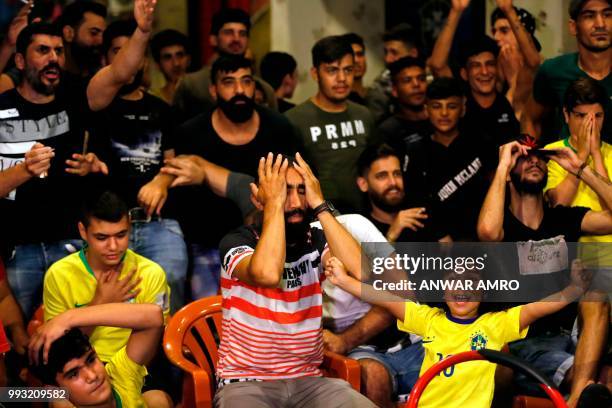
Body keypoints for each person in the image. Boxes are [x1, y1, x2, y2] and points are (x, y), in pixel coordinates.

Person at [0, 0, 154, 319]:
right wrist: (24, 170)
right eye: (42, 50)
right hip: (18, 248)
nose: (53, 58)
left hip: (70, 245)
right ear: (19, 59)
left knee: (77, 335)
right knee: (25, 346)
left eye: (58, 51)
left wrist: (141, 30)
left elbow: (120, 72)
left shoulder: (77, 98)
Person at [324, 253, 591, 408]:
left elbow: (536, 308)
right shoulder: (428, 319)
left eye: (470, 281)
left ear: (484, 292)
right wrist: (344, 280)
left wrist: (573, 291)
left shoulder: (496, 324)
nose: (461, 289)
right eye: (454, 280)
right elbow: (384, 298)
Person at [215, 152, 375, 408]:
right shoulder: (237, 241)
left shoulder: (315, 238)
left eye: (302, 191)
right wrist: (274, 205)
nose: (296, 202)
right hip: (246, 382)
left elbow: (363, 270)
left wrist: (319, 203)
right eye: (284, 191)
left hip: (309, 381)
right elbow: (267, 274)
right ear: (258, 198)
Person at [477, 139, 612, 405]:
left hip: (574, 333)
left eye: (539, 156)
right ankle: (579, 397)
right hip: (526, 342)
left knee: (596, 295)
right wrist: (504, 162)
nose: (533, 160)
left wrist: (580, 168)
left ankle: (575, 400)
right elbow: (488, 233)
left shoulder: (563, 218)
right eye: (523, 157)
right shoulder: (502, 224)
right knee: (602, 384)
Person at [170, 55, 299, 299]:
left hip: (267, 239)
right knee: (211, 323)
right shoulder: (191, 133)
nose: (240, 90)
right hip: (208, 244)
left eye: (247, 81)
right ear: (213, 90)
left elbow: (289, 185)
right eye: (229, 82)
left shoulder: (279, 127)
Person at [90, 20, 188, 313]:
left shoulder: (162, 110)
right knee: (117, 305)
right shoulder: (95, 107)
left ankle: (173, 359)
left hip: (159, 222)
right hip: (110, 228)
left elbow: (174, 162)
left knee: (172, 291)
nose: (127, 60)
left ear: (143, 59)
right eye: (118, 52)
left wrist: (162, 179)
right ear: (106, 59)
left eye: (132, 52)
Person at [43, 190, 170, 363]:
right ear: (83, 231)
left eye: (121, 235)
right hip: (81, 369)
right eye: (101, 237)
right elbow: (59, 350)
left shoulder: (151, 272)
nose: (113, 246)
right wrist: (100, 302)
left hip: (137, 367)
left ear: (130, 227)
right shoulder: (58, 274)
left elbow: (154, 341)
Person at [286, 35, 377, 213]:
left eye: (348, 70)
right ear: (315, 73)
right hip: (317, 219)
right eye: (332, 70)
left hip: (365, 216)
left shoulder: (364, 115)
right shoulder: (294, 120)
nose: (342, 78)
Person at [403, 77, 495, 241]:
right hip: (436, 243)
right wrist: (439, 234)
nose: (444, 113)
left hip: (482, 236)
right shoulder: (416, 151)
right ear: (426, 110)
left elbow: (495, 189)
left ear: (462, 109)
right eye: (437, 107)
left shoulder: (481, 143)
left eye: (451, 106)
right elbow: (415, 202)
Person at [29, 303, 170, 407]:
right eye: (73, 374)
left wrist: (68, 318)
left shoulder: (120, 377)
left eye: (91, 360)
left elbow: (154, 316)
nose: (92, 376)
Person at [430, 4, 521, 148]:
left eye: (490, 64)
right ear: (464, 74)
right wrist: (456, 11)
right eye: (476, 66)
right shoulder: (461, 103)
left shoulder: (509, 97)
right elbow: (437, 65)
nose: (484, 72)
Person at [522, 0, 612, 142]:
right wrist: (533, 159)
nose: (600, 24)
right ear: (573, 26)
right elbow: (530, 119)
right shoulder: (553, 71)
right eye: (589, 16)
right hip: (569, 163)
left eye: (607, 15)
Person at [172, 8, 277, 121]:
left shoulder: (265, 89)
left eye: (242, 34)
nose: (236, 39)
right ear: (213, 39)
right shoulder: (192, 85)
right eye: (228, 33)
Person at [544, 78, 612, 246]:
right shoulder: (553, 152)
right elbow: (557, 206)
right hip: (572, 258)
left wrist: (596, 154)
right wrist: (582, 155)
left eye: (597, 116)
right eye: (581, 116)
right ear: (566, 115)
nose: (590, 124)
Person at [357, 143, 450, 243]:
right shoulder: (360, 229)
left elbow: (452, 253)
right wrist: (391, 235)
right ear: (363, 184)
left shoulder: (421, 212)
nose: (393, 182)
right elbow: (370, 259)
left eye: (397, 174)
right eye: (382, 176)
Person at [490, 0, 543, 119]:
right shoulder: (491, 66)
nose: (496, 37)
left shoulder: (541, 69)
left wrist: (514, 80)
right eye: (494, 31)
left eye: (504, 31)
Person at [377, 57, 432, 164]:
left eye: (421, 78)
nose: (416, 84)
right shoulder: (387, 131)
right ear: (394, 90)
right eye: (407, 80)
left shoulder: (440, 119)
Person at [366, 23, 420, 123]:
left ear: (413, 54)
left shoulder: (429, 80)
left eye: (394, 53)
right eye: (386, 52)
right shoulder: (379, 90)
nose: (388, 59)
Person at [56, 1, 107, 78]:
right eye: (94, 33)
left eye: (104, 35)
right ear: (68, 33)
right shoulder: (51, 79)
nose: (101, 41)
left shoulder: (99, 78)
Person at [149, 29, 191, 104]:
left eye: (180, 55)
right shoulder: (152, 100)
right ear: (157, 65)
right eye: (167, 57)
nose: (176, 63)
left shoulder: (202, 96)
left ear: (188, 59)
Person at [340, 33, 368, 105]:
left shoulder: (377, 95)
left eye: (360, 54)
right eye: (351, 55)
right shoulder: (339, 99)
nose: (356, 60)